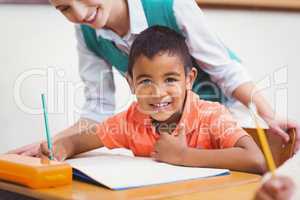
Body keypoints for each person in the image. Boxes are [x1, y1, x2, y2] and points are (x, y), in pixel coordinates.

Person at [8, 0, 299, 156]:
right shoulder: (87, 32)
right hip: (161, 126)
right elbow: (97, 108)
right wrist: (53, 141)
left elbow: (226, 71)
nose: (80, 13)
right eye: (64, 8)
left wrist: (268, 113)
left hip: (215, 125)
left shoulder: (170, 4)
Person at [38, 26, 266, 174]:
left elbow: (256, 160)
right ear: (131, 82)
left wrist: (183, 156)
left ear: (189, 79)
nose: (158, 92)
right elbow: (83, 140)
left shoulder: (212, 115)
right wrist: (62, 146)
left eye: (170, 79)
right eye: (146, 81)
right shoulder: (132, 119)